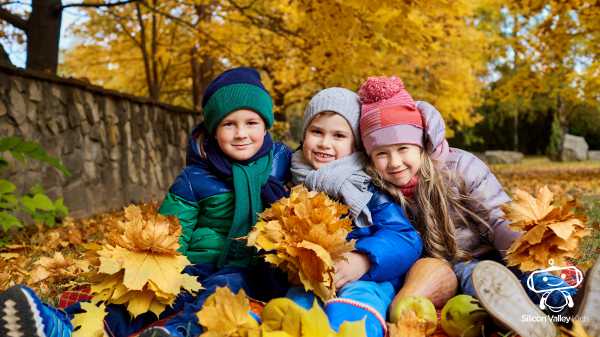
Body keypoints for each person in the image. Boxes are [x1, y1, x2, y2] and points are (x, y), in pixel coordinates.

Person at [0, 67, 292, 337]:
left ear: (265, 126)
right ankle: (59, 324)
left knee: (223, 291)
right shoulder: (195, 177)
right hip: (196, 263)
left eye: (251, 122)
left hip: (250, 270)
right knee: (145, 294)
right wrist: (161, 272)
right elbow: (171, 230)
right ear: (214, 131)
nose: (241, 133)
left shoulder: (281, 166)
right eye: (229, 124)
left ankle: (175, 332)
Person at [357, 75, 600, 337]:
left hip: (494, 246)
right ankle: (523, 319)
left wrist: (522, 246)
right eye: (382, 153)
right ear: (370, 157)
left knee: (527, 272)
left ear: (420, 143)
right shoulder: (377, 191)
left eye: (403, 148)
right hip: (454, 265)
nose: (394, 162)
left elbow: (497, 216)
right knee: (480, 280)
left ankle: (571, 305)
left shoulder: (460, 167)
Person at [286, 87, 423, 337]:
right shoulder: (291, 182)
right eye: (317, 132)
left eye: (339, 135)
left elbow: (405, 237)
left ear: (355, 144)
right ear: (304, 135)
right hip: (312, 280)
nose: (325, 143)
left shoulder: (365, 186)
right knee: (295, 311)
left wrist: (365, 259)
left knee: (356, 309)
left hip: (369, 277)